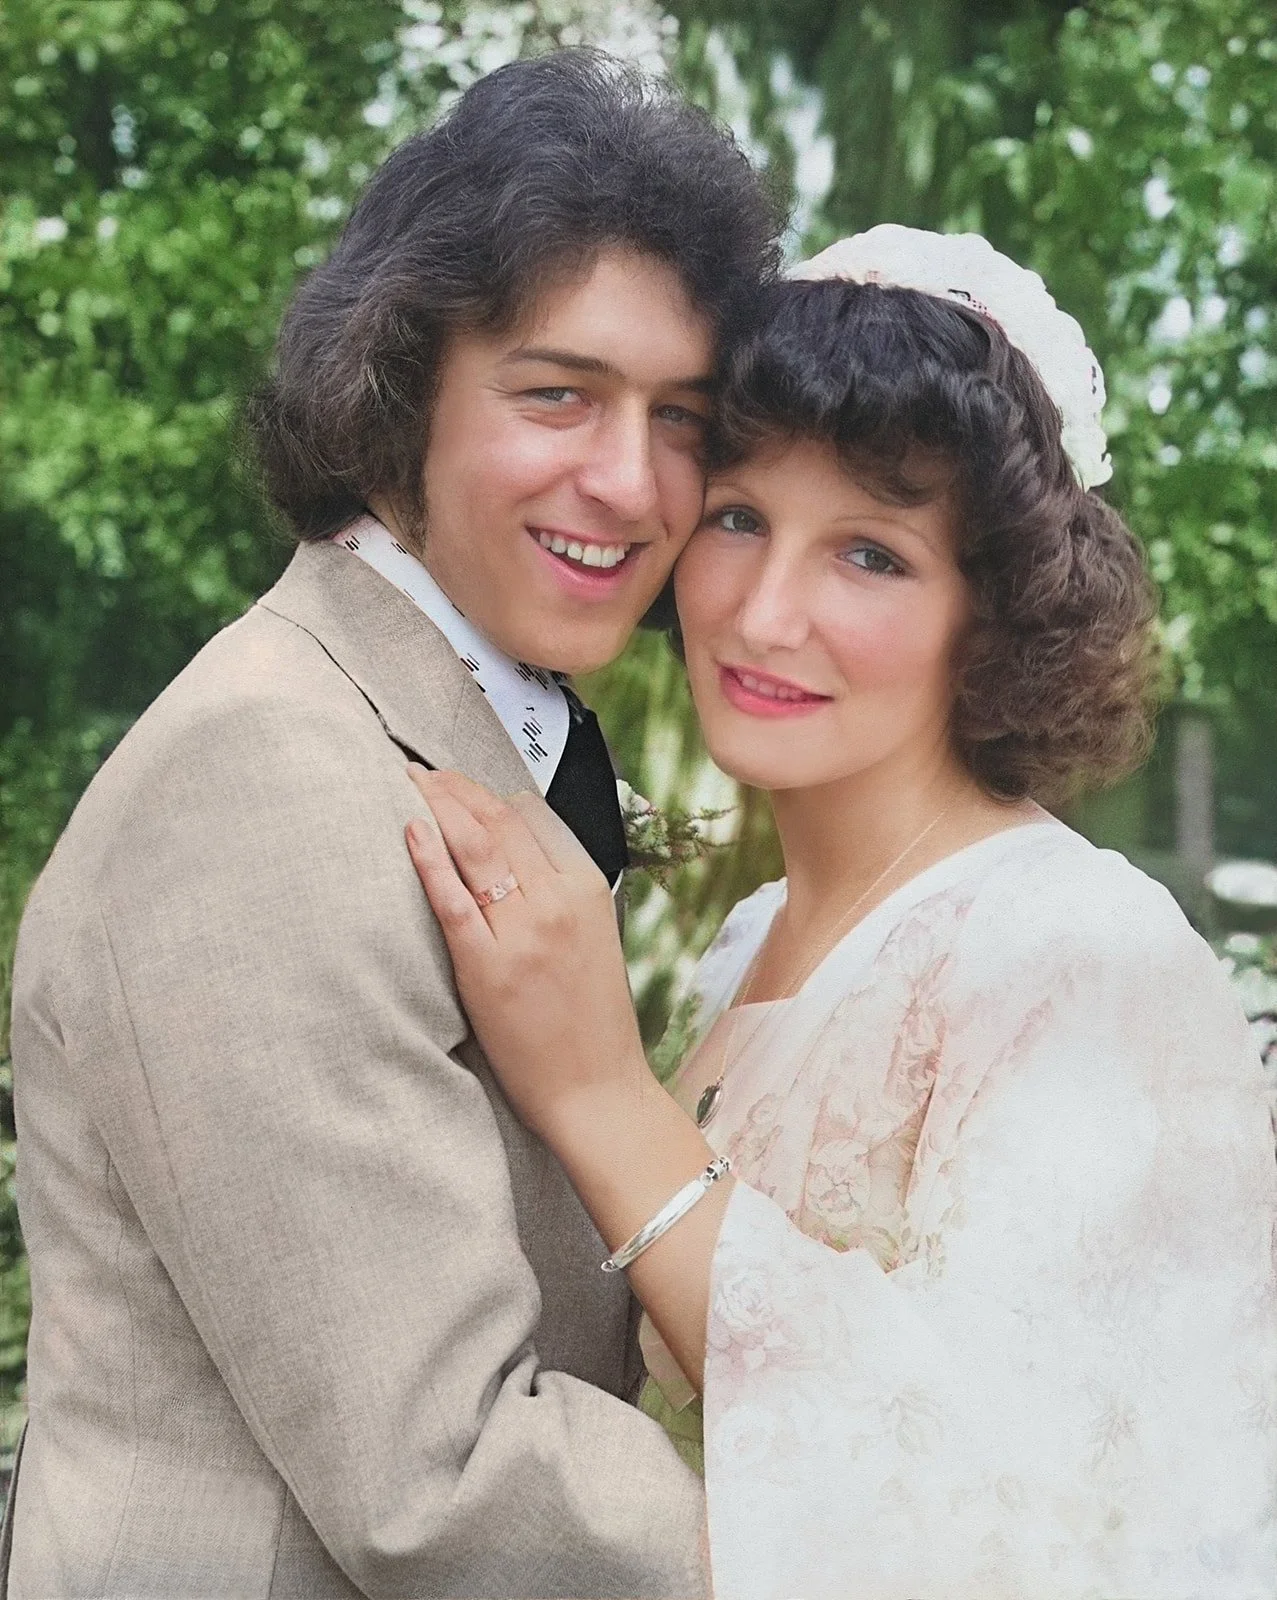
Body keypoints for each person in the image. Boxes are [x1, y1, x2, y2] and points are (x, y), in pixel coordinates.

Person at [4, 51, 780, 1599]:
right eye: (557, 393)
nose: (629, 482)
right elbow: (444, 1479)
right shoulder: (266, 777)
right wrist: (917, 1521)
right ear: (395, 394)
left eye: (682, 418)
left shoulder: (472, 723)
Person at [404, 226, 1277, 1598]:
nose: (760, 613)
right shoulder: (752, 935)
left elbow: (1046, 1519)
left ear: (996, 612)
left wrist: (598, 1095)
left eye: (869, 555)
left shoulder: (1082, 960)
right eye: (739, 517)